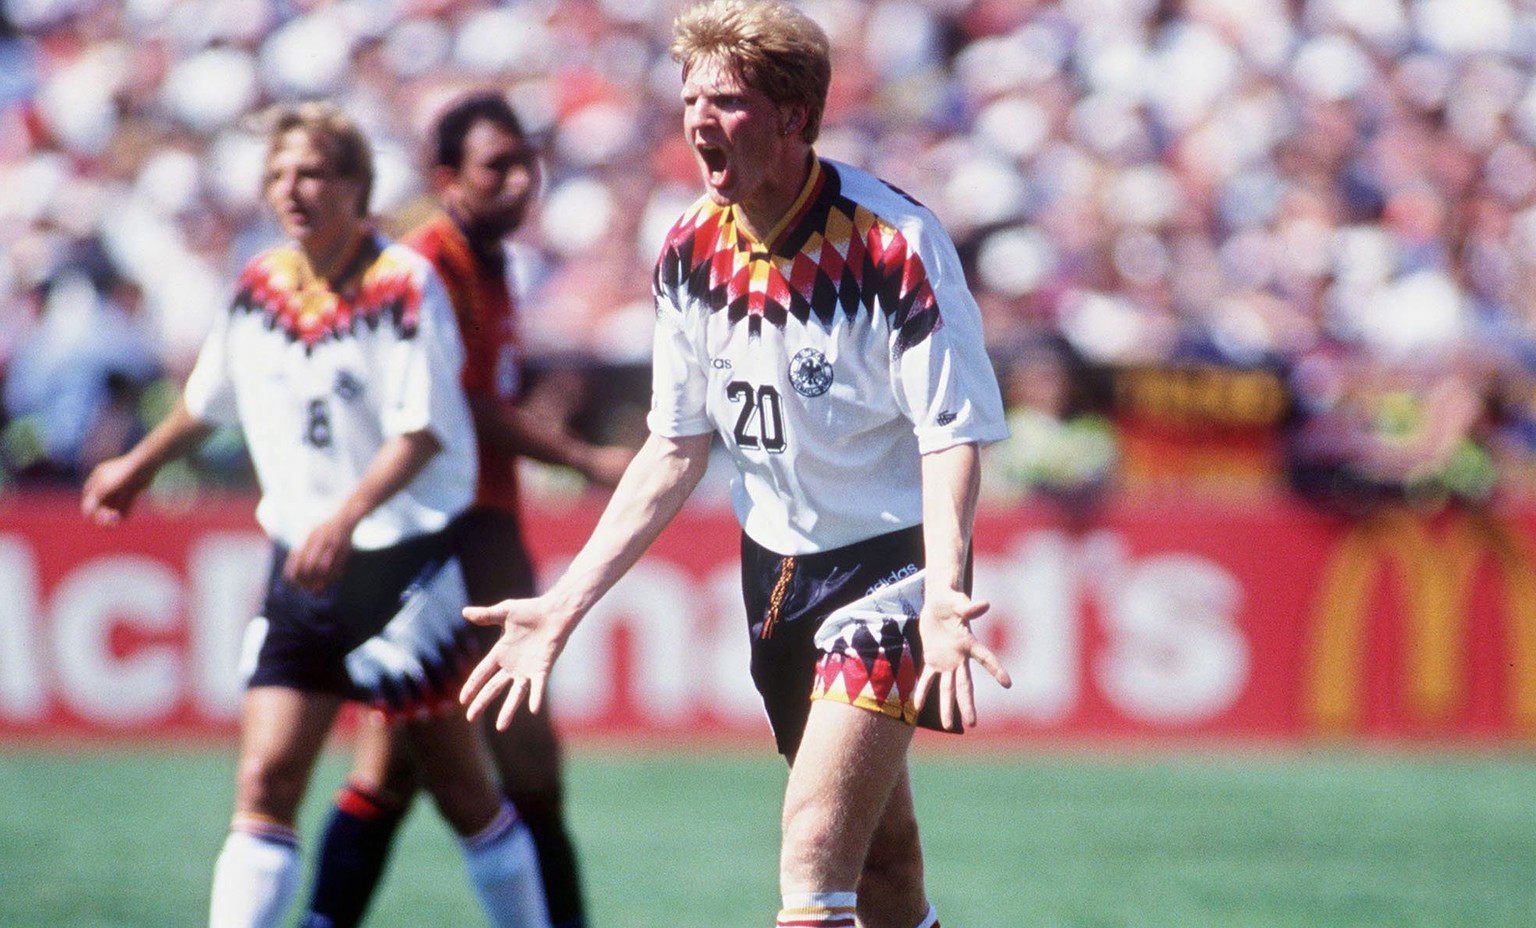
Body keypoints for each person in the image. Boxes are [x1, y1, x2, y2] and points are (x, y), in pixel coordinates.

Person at [458, 3, 1014, 927]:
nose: (699, 121)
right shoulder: (688, 249)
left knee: (812, 862)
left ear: (795, 116)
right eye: (690, 99)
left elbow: (949, 432)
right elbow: (675, 447)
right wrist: (564, 604)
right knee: (886, 871)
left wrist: (946, 597)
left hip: (889, 573)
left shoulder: (892, 244)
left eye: (727, 100)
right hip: (774, 579)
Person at [80, 101, 548, 928]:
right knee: (265, 781)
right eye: (277, 175)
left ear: (355, 186)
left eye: (311, 173)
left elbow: (423, 432)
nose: (290, 190)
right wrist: (136, 465)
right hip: (303, 568)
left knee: (464, 793)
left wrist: (347, 515)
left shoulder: (403, 283)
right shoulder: (260, 285)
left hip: (400, 573)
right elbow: (205, 403)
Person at [301, 91, 630, 928]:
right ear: (447, 177)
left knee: (395, 766)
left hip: (458, 527)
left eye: (527, 163)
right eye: (498, 167)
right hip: (449, 532)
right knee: (525, 764)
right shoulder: (429, 265)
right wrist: (586, 459)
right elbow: (462, 408)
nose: (521, 182)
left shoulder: (488, 263)